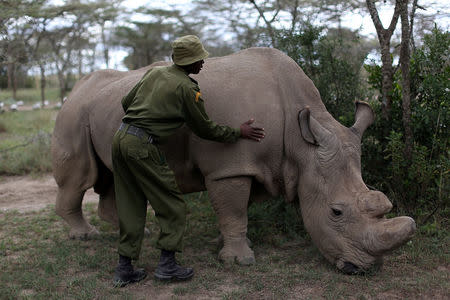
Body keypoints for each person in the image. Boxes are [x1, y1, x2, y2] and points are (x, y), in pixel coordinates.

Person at [111, 35, 265, 287]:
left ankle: (124, 268)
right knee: (172, 206)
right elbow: (205, 129)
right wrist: (238, 132)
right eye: (199, 59)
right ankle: (167, 266)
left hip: (121, 138)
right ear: (189, 62)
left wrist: (152, 113)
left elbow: (126, 102)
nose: (203, 63)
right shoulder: (187, 88)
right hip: (142, 146)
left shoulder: (154, 73)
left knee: (129, 204)